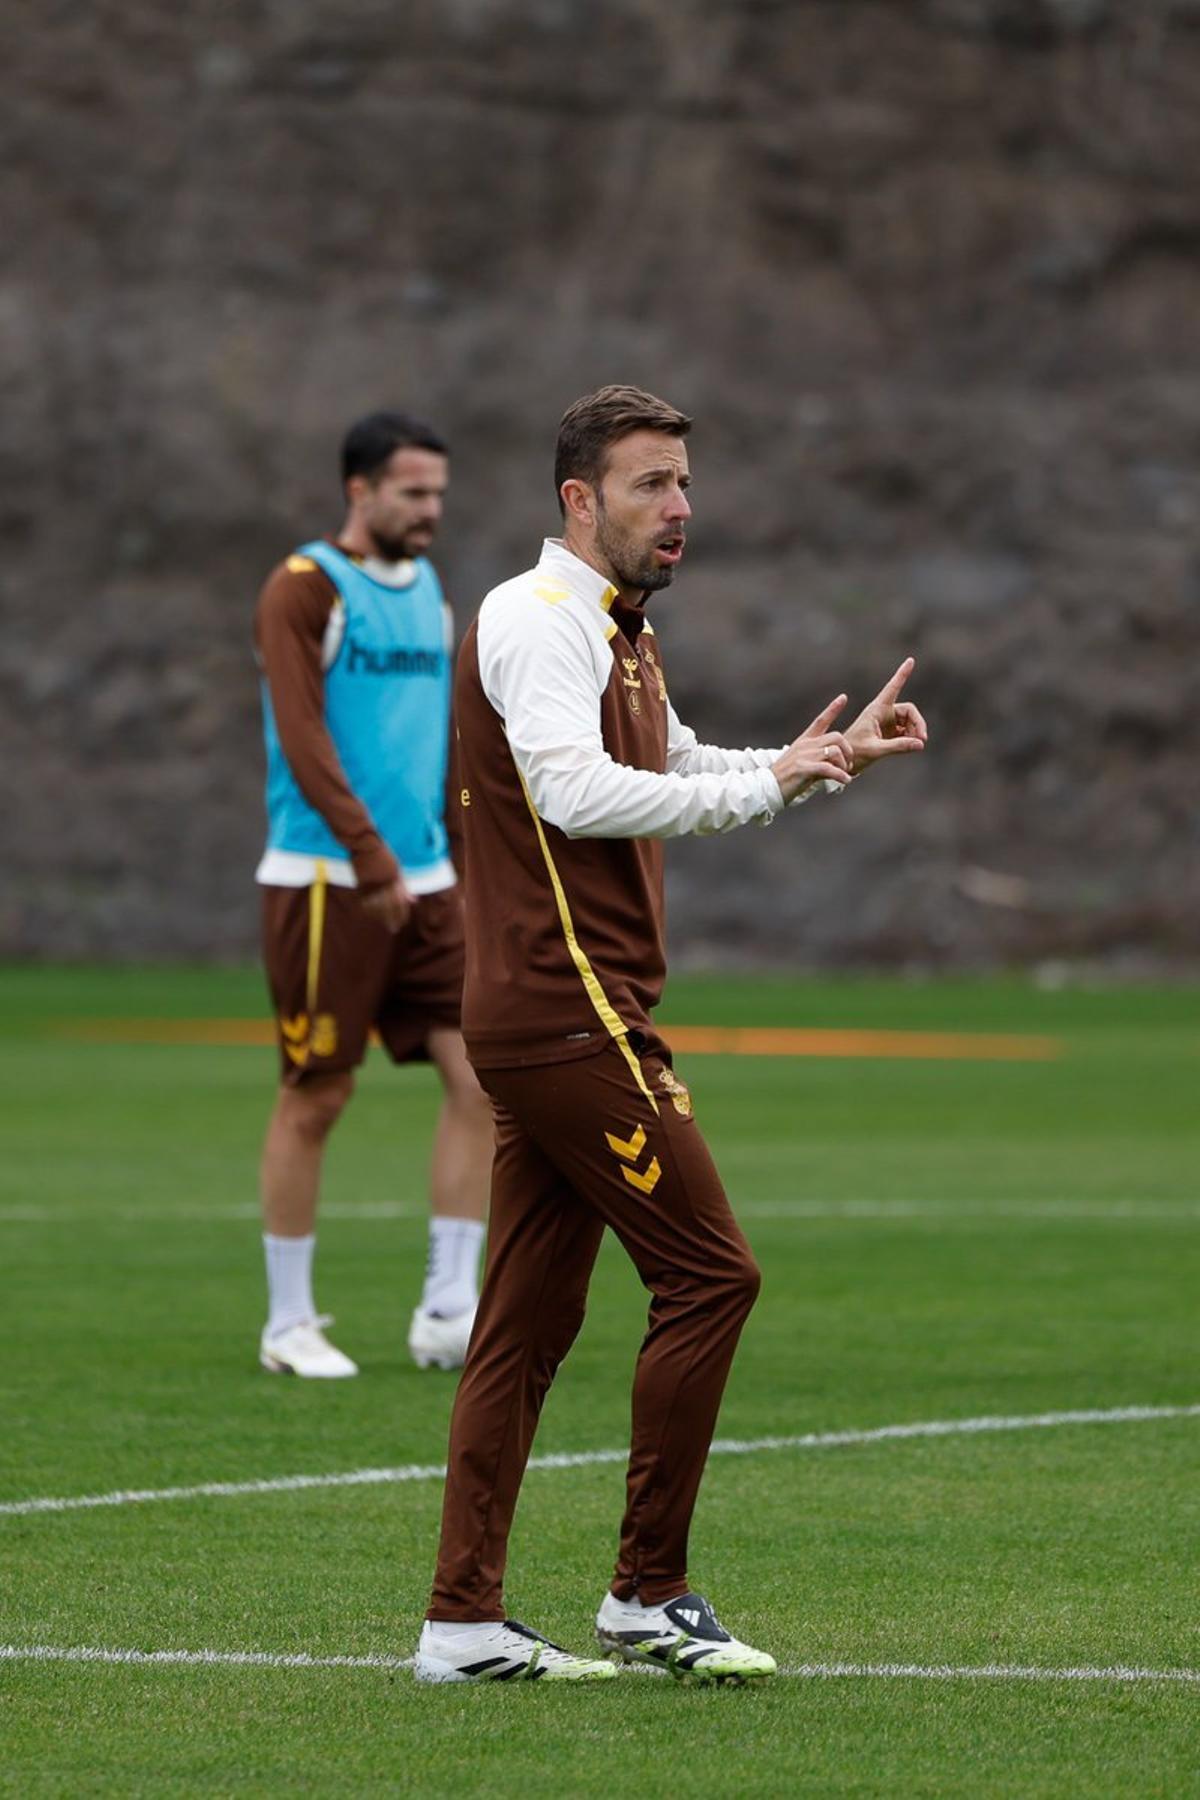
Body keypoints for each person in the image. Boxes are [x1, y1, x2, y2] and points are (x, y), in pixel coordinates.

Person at [412, 385, 928, 1684]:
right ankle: (648, 1595)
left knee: (524, 1327)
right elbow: (574, 792)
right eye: (652, 483)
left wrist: (817, 761)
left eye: (685, 481)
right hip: (565, 1008)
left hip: (563, 1008)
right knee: (713, 1275)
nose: (681, 505)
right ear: (579, 498)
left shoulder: (613, 628)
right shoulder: (538, 621)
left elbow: (673, 757)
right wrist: (765, 787)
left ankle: (462, 1625)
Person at [253, 411, 493, 1379]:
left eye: (438, 492)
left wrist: (462, 867)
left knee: (481, 1080)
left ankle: (448, 1308)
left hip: (427, 880)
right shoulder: (304, 589)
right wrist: (369, 855)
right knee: (319, 1093)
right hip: (325, 882)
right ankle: (289, 1323)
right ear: (360, 490)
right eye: (413, 493)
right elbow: (302, 741)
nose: (431, 510)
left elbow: (436, 743)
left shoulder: (430, 590)